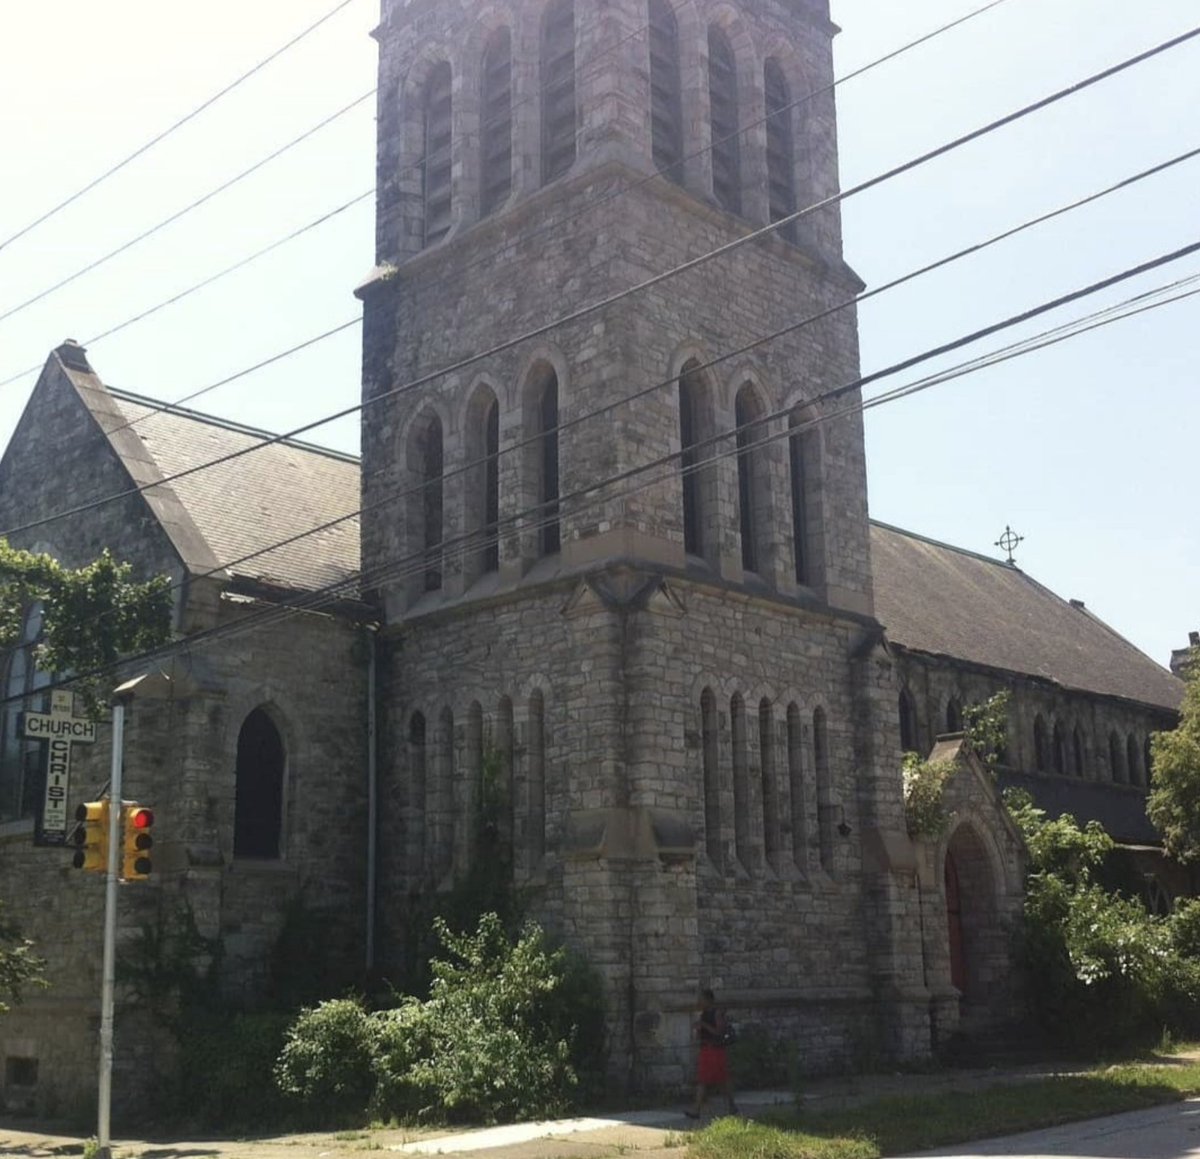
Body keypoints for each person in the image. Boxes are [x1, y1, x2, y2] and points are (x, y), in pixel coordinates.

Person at [685, 987, 738, 1119]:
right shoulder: (704, 1014)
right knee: (705, 1080)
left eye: (701, 999)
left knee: (720, 1080)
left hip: (716, 1050)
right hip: (706, 1049)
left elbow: (718, 1032)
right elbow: (704, 1034)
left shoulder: (716, 1013)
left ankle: (730, 1105)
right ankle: (697, 1109)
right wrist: (698, 1031)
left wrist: (703, 1025)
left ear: (708, 1000)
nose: (699, 1001)